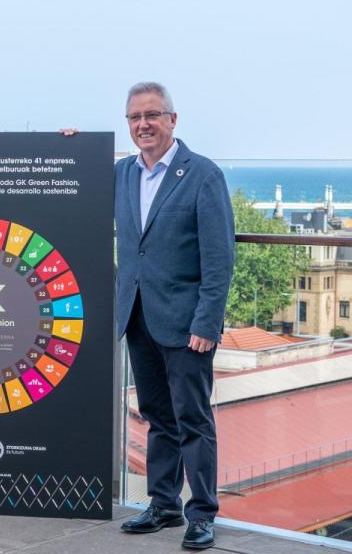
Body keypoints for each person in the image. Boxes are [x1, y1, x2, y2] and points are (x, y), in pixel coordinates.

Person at [114, 82, 235, 550]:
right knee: (156, 416)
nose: (142, 124)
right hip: (139, 316)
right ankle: (163, 504)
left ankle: (201, 514)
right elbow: (75, 185)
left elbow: (219, 257)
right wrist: (70, 143)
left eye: (152, 115)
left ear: (172, 119)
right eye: (134, 118)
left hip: (187, 324)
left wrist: (207, 322)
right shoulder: (123, 174)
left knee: (193, 419)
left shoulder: (202, 175)